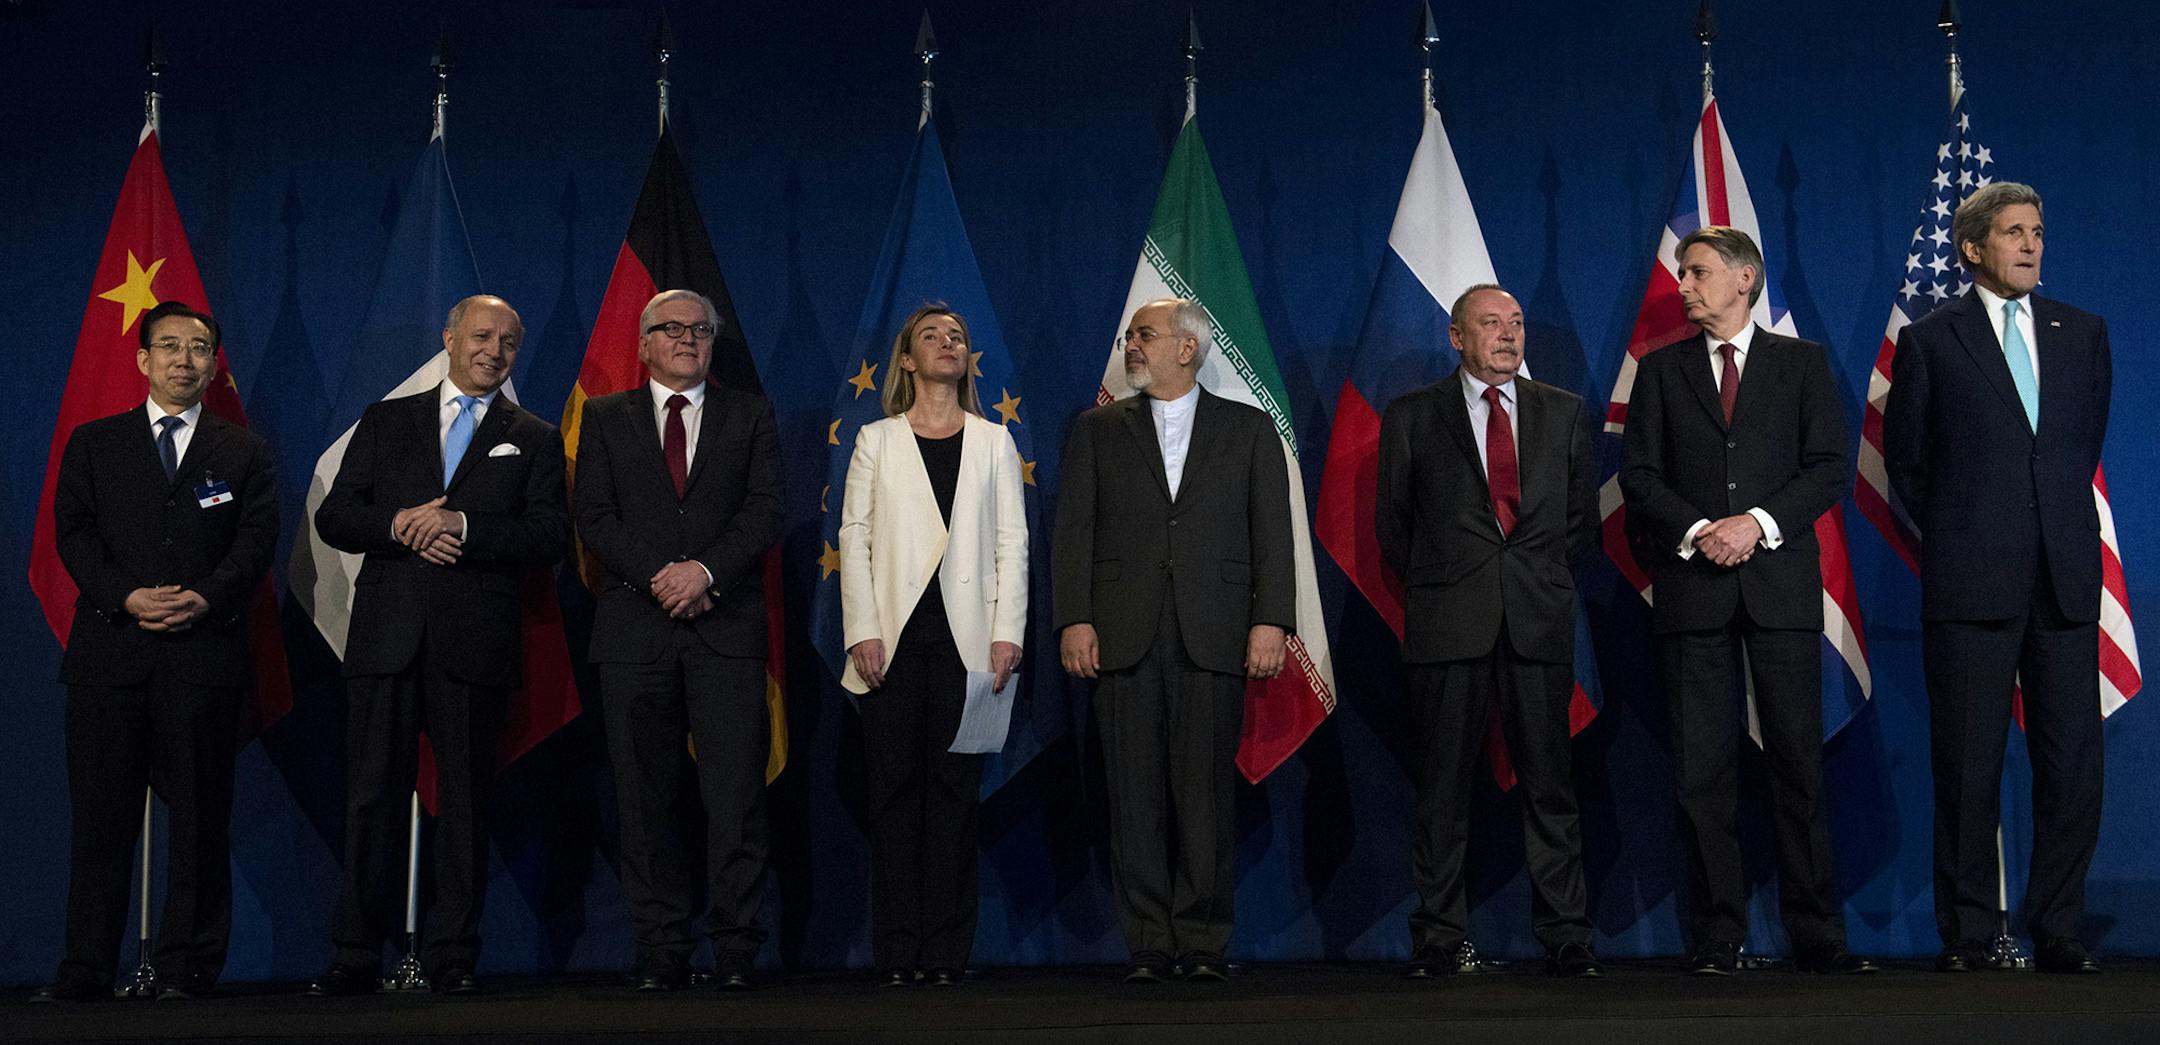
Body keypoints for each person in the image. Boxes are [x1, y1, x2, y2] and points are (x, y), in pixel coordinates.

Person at [1619, 227, 1876, 976]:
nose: (1683, 285)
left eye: (1697, 272)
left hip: (1779, 589)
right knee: (1702, 772)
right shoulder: (1659, 371)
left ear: (1744, 279)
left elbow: (1827, 467)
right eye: (1681, 273)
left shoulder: (1801, 364)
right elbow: (1639, 475)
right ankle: (1717, 934)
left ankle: (1817, 934)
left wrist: (1755, 524)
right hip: (1693, 589)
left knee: (1798, 765)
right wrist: (1701, 530)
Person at [309, 295, 568, 997]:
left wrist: (463, 526)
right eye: (481, 335)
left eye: (508, 342)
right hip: (386, 640)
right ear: (449, 338)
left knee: (466, 805)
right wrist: (399, 524)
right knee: (370, 797)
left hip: (474, 643)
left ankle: (454, 954)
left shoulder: (535, 436)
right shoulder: (388, 418)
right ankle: (354, 953)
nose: (494, 350)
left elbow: (549, 536)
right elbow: (336, 515)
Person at [1884, 182, 2111, 975]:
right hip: (1971, 582)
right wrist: (1968, 532)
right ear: (1973, 247)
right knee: (1968, 765)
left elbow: (2075, 452)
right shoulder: (1931, 340)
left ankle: (2059, 927)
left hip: (2064, 580)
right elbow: (1907, 464)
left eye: (2037, 231)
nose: (2030, 244)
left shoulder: (2083, 333)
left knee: (2072, 765)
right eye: (2014, 232)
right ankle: (1971, 934)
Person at [35, 302, 277, 1002]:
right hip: (110, 655)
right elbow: (73, 534)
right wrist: (126, 596)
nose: (183, 359)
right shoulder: (94, 443)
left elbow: (254, 544)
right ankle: (85, 969)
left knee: (200, 820)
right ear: (143, 359)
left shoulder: (244, 451)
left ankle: (186, 968)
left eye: (198, 347)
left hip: (203, 657)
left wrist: (203, 597)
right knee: (100, 822)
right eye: (169, 346)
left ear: (213, 364)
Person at [1053, 297, 1294, 984]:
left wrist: (1271, 620)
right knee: (1132, 797)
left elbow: (1272, 533)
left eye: (1145, 335)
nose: (1132, 345)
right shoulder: (1097, 430)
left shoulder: (1249, 429)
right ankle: (1149, 944)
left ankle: (1203, 940)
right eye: (1130, 335)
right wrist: (1074, 618)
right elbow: (1073, 531)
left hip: (1215, 632)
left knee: (1206, 795)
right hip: (1121, 633)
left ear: (1187, 348)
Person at [1376, 285, 1602, 979]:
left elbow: (1578, 525)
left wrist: (1532, 582)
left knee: (1550, 786)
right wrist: (1452, 584)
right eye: (1491, 323)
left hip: (1537, 621)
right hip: (1449, 624)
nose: (1508, 335)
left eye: (1517, 323)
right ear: (1456, 337)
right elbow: (1394, 527)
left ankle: (1566, 935)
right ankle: (1439, 937)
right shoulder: (1413, 415)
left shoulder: (1563, 411)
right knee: (1443, 789)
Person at [572, 289, 783, 992]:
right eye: (672, 328)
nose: (688, 338)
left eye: (701, 329)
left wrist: (706, 572)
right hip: (636, 631)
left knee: (736, 798)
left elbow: (765, 510)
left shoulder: (748, 414)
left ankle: (736, 947)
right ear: (643, 344)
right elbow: (594, 515)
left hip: (726, 630)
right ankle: (662, 946)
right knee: (643, 799)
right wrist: (662, 576)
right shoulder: (605, 416)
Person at [838, 304, 1028, 988]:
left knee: (954, 798)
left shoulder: (994, 441)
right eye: (931, 336)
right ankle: (897, 951)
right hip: (889, 644)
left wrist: (1007, 632)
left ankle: (946, 952)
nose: (947, 343)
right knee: (893, 795)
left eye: (957, 337)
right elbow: (854, 538)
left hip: (968, 646)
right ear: (907, 360)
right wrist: (861, 629)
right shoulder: (876, 440)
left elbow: (1012, 542)